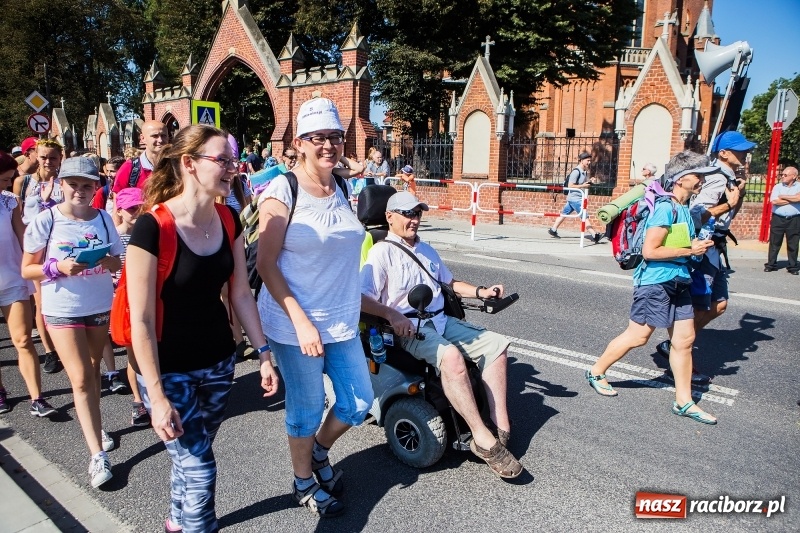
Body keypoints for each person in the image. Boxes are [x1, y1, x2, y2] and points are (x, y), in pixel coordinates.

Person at [125, 124, 278, 532]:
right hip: (168, 369)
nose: (232, 168)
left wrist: (263, 353)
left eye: (233, 160)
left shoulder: (229, 219)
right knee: (200, 466)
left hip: (218, 364)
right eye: (222, 160)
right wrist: (156, 396)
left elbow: (241, 293)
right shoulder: (152, 227)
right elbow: (140, 319)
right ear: (189, 163)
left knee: (193, 454)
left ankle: (177, 520)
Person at [256, 97, 372, 517]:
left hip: (341, 319)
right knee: (306, 410)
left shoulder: (340, 187)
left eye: (335, 136)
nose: (328, 145)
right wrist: (302, 322)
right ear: (299, 143)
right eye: (318, 137)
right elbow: (265, 264)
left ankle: (319, 451)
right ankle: (303, 480)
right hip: (294, 324)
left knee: (358, 403)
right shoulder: (281, 191)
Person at [360, 190, 523, 478]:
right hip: (408, 328)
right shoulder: (381, 252)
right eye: (407, 213)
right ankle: (481, 438)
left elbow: (449, 283)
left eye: (417, 213)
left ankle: (500, 426)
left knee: (497, 345)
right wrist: (392, 315)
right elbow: (362, 299)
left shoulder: (426, 249)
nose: (414, 219)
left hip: (440, 320)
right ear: (389, 216)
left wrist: (482, 291)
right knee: (452, 358)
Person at [586, 151, 717, 424]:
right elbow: (650, 251)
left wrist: (695, 248)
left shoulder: (683, 208)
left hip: (680, 280)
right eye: (698, 175)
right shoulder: (666, 208)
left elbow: (677, 246)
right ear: (680, 179)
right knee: (638, 336)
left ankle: (684, 401)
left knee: (684, 341)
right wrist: (690, 249)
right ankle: (596, 371)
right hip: (655, 282)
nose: (702, 180)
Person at [21, 157, 124, 487]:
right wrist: (57, 268)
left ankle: (95, 426)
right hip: (62, 308)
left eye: (87, 185)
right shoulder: (47, 220)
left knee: (92, 372)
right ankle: (97, 455)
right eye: (73, 184)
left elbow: (117, 260)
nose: (80, 190)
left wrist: (109, 261)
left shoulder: (104, 218)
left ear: (95, 188)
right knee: (79, 378)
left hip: (98, 305)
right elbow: (27, 269)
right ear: (61, 185)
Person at [654, 131, 755, 371]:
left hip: (715, 246)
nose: (746, 153)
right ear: (724, 153)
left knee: (719, 304)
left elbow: (730, 214)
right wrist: (729, 203)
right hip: (704, 246)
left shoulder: (729, 177)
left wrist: (737, 196)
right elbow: (697, 214)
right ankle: (680, 355)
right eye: (740, 150)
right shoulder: (717, 177)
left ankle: (676, 345)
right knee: (700, 304)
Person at [0, 152, 56, 417]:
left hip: (12, 277)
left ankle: (37, 398)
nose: (7, 184)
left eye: (9, 179)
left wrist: (40, 262)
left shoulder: (9, 201)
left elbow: (23, 236)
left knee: (23, 339)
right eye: (4, 179)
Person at [14, 139, 65, 374]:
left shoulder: (65, 182)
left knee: (62, 299)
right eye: (43, 156)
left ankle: (65, 345)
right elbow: (17, 216)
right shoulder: (23, 182)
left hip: (60, 247)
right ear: (35, 155)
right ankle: (50, 351)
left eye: (53, 157)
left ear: (60, 158)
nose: (48, 162)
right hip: (36, 249)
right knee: (42, 303)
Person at [111, 187, 151, 427]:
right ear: (119, 211)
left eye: (140, 208)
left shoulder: (148, 234)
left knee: (152, 349)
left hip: (148, 298)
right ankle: (138, 401)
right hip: (124, 300)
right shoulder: (114, 237)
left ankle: (155, 396)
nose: (137, 212)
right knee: (134, 354)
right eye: (131, 208)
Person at [111, 120, 168, 226]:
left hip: (169, 227)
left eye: (163, 135)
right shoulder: (130, 167)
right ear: (142, 138)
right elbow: (117, 204)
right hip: (140, 228)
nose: (160, 140)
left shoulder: (175, 166)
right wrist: (119, 233)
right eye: (155, 136)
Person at [549, 151, 603, 242]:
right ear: (581, 160)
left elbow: (583, 184)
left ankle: (553, 229)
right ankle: (594, 235)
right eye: (587, 160)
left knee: (564, 214)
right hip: (575, 199)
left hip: (574, 198)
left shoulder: (584, 172)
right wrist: (583, 186)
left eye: (590, 161)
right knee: (584, 216)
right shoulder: (576, 172)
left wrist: (590, 181)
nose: (589, 162)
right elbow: (570, 186)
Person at [764, 166, 800, 274]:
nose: (782, 176)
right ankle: (771, 265)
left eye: (785, 175)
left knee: (793, 243)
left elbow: (799, 198)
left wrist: (783, 196)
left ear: (794, 176)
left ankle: (792, 267)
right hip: (778, 218)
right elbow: (775, 201)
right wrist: (793, 199)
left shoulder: (799, 186)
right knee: (774, 242)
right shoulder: (777, 187)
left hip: (794, 219)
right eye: (782, 174)